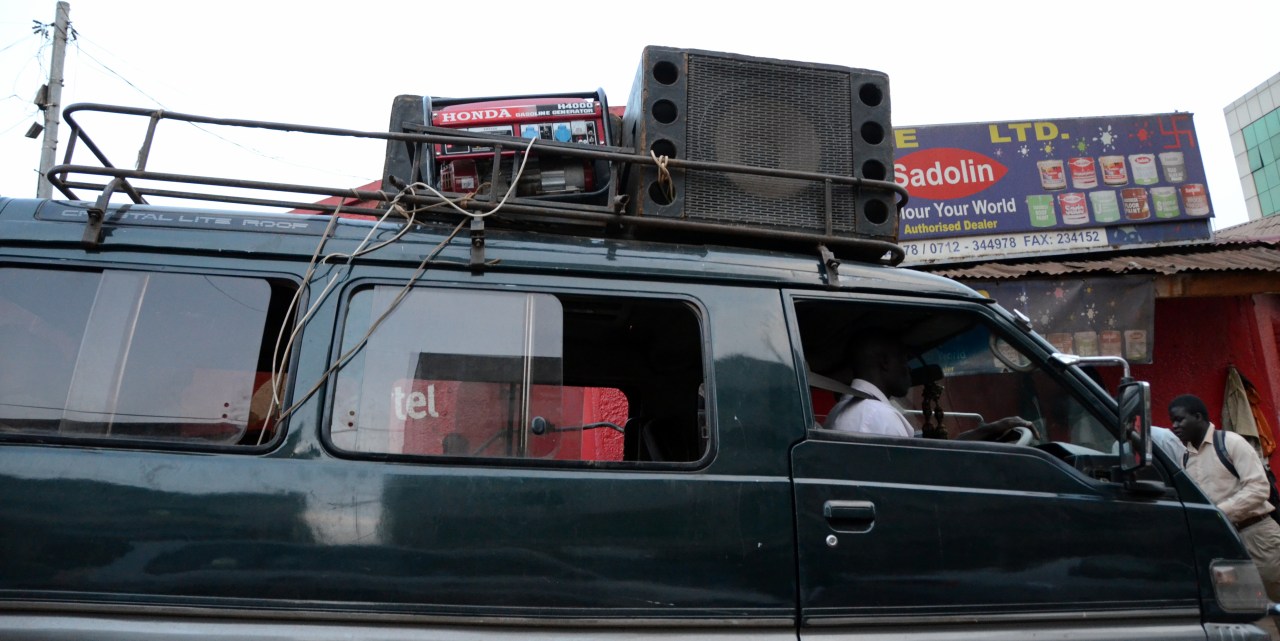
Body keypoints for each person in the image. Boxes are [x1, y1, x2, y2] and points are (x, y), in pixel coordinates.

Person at [822, 329, 1032, 441]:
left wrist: (985, 432)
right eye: (903, 360)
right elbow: (919, 471)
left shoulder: (844, 409)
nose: (908, 369)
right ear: (884, 362)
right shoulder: (876, 415)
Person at [1170, 393, 1280, 601]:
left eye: (1179, 419)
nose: (1174, 426)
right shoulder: (1185, 458)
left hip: (1258, 535)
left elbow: (1258, 488)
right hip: (1225, 543)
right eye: (1172, 421)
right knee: (1245, 606)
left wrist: (1218, 513)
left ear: (1198, 417)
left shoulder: (1230, 442)